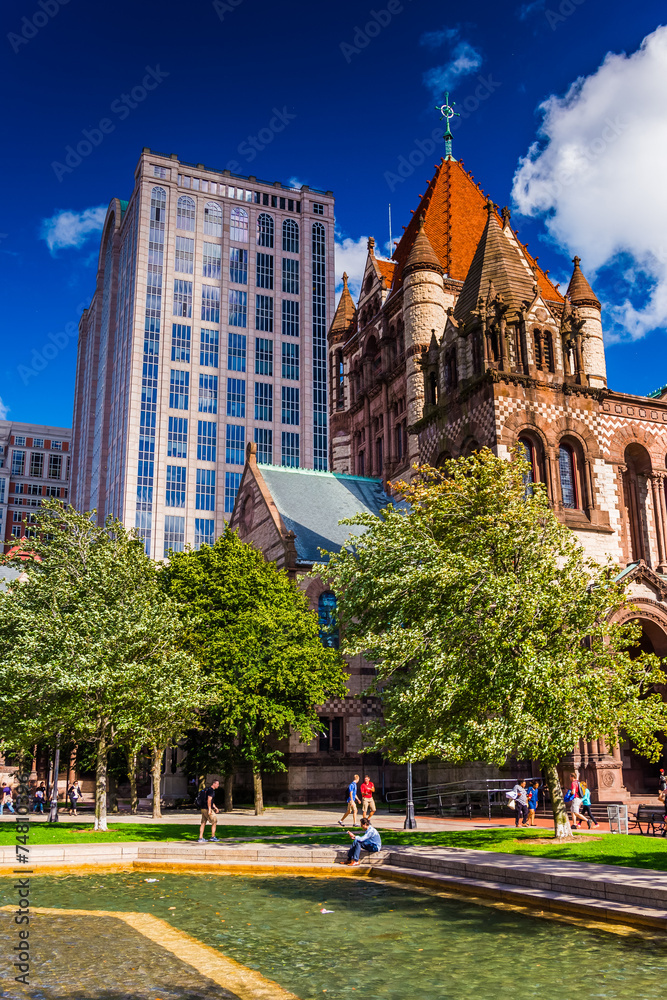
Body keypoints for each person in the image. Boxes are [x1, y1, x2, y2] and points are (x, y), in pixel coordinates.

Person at [198, 779, 220, 843]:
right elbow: (209, 800)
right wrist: (210, 809)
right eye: (217, 784)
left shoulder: (207, 789)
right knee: (214, 821)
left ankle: (200, 837)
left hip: (203, 808)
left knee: (203, 822)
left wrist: (215, 807)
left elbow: (210, 801)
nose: (218, 785)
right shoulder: (211, 791)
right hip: (207, 808)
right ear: (214, 784)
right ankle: (213, 837)